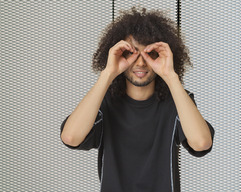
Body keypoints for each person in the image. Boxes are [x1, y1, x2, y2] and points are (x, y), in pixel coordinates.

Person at [60, 7, 214, 192]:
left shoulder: (177, 100)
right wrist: (108, 73)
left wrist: (171, 76)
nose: (140, 63)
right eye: (130, 53)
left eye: (150, 54)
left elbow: (201, 143)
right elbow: (70, 137)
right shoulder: (104, 100)